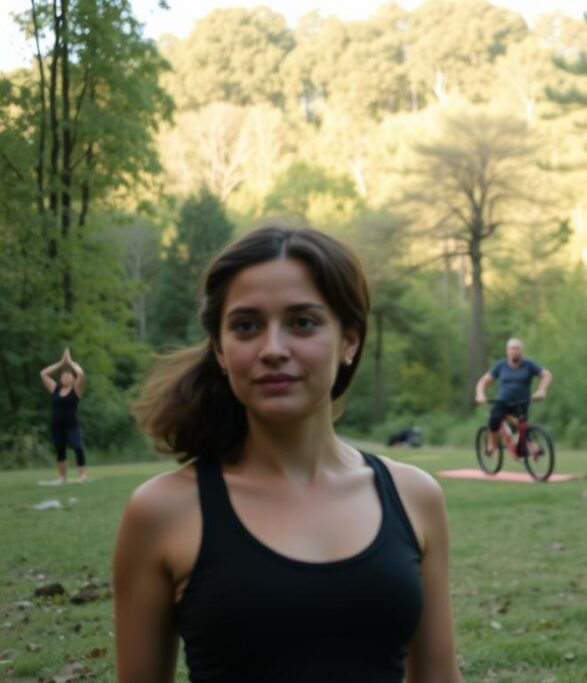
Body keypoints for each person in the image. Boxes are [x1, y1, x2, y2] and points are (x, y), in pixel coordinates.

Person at [114, 225, 461, 682]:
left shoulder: (414, 497)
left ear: (350, 341)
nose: (273, 350)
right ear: (220, 348)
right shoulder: (161, 512)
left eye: (302, 322)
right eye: (246, 326)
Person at [474, 338, 553, 456]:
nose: (514, 351)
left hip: (522, 402)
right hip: (503, 402)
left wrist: (542, 390)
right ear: (507, 351)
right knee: (494, 419)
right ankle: (492, 445)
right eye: (511, 349)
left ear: (522, 351)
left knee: (522, 428)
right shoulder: (501, 365)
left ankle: (530, 449)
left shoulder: (529, 365)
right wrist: (480, 394)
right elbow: (484, 381)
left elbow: (546, 375)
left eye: (516, 349)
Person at [39, 347, 87, 484]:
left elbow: (81, 374)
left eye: (68, 375)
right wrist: (61, 363)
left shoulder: (76, 390)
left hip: (72, 425)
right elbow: (43, 373)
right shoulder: (55, 388)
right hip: (57, 426)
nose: (65, 377)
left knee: (78, 447)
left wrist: (70, 362)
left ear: (73, 378)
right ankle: (62, 477)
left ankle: (82, 475)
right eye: (63, 375)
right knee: (60, 450)